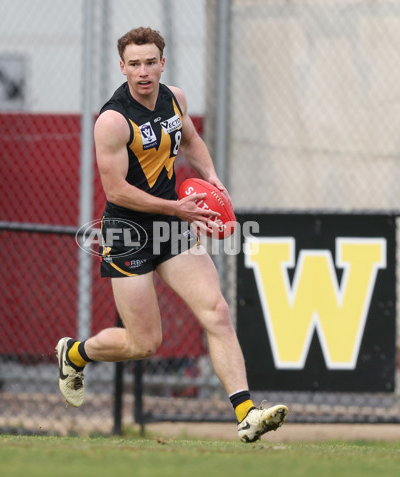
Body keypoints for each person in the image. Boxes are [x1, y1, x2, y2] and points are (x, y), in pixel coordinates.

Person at [56, 26, 287, 443]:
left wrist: (212, 178)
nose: (143, 72)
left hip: (172, 224)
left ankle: (247, 412)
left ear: (162, 63)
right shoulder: (112, 121)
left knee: (216, 311)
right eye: (134, 64)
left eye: (150, 62)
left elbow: (192, 141)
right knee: (144, 343)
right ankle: (74, 354)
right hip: (127, 230)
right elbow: (117, 190)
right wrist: (175, 208)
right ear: (121, 66)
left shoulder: (174, 98)